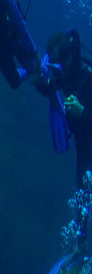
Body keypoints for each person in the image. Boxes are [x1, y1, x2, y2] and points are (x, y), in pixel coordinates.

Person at [35, 30, 92, 184]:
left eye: (56, 63)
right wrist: (37, 79)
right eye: (50, 64)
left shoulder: (87, 76)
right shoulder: (63, 74)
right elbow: (50, 88)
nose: (53, 69)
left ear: (68, 59)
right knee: (83, 191)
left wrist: (83, 112)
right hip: (83, 142)